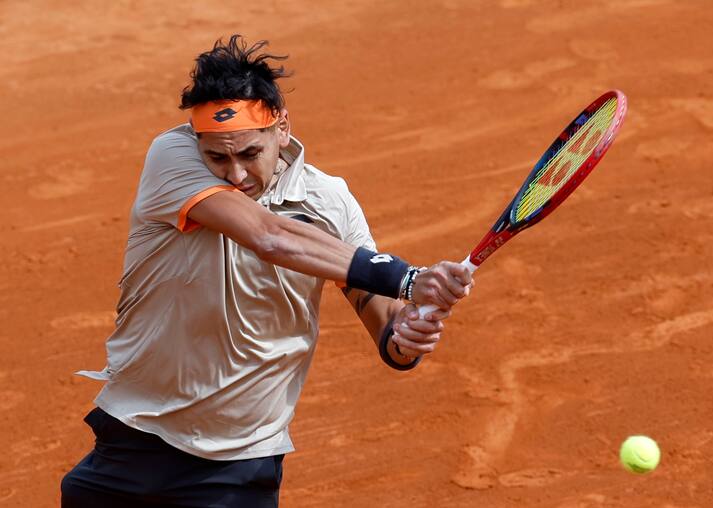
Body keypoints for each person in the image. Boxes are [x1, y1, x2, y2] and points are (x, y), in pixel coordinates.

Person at [60, 35, 472, 507]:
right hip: (132, 439)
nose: (235, 174)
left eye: (250, 154)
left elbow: (386, 327)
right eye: (217, 157)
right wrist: (407, 277)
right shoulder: (172, 158)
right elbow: (269, 237)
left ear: (282, 128)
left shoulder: (329, 202)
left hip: (236, 467)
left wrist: (406, 333)